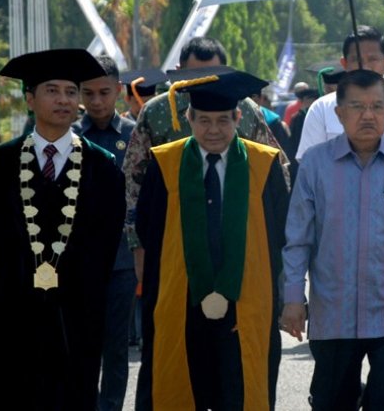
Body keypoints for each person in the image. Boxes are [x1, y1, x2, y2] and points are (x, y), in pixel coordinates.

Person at [281, 69, 384, 410]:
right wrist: (293, 298)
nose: (367, 115)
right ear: (339, 113)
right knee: (331, 402)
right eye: (356, 106)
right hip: (333, 314)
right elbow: (298, 238)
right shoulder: (314, 163)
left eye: (377, 106)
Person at [135, 70, 288, 410]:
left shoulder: (264, 164)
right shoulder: (165, 163)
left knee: (240, 390)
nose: (214, 130)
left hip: (244, 302)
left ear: (238, 118)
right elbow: (149, 228)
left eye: (223, 120)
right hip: (183, 302)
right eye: (204, 120)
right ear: (188, 119)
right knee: (183, 387)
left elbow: (279, 232)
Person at [0, 49, 125, 409]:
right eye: (52, 90)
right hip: (15, 313)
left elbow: (106, 246)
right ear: (30, 98)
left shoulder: (102, 166)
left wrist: (75, 293)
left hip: (78, 314)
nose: (64, 100)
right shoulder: (1, 163)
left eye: (70, 91)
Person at [122, 36, 286, 288]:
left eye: (214, 73)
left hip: (238, 237)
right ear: (179, 72)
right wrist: (138, 245)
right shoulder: (156, 111)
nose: (205, 82)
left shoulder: (246, 109)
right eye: (196, 74)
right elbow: (133, 182)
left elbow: (276, 171)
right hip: (174, 238)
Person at [73, 55, 138, 411]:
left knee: (116, 345)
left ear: (118, 91)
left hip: (122, 258)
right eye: (88, 93)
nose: (96, 101)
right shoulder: (69, 135)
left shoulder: (133, 134)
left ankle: (110, 406)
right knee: (82, 343)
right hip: (77, 258)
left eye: (104, 92)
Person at [296, 25, 384, 161]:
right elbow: (310, 164)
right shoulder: (322, 109)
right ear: (344, 63)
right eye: (357, 60)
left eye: (372, 59)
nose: (364, 67)